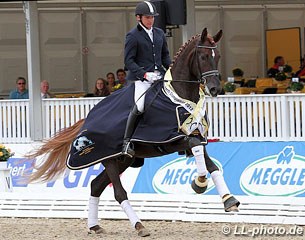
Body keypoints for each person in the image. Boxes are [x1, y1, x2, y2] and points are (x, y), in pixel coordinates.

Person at [122, 1, 171, 157]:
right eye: (147, 17)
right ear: (139, 18)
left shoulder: (159, 33)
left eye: (152, 17)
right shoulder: (132, 36)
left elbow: (165, 56)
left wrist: (171, 70)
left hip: (159, 77)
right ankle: (127, 142)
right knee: (140, 106)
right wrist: (144, 74)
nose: (150, 20)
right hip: (141, 79)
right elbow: (128, 61)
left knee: (175, 101)